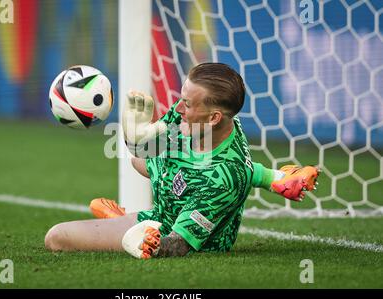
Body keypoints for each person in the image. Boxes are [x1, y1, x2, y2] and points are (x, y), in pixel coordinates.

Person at [45, 63, 319, 258]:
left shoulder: (224, 177)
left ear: (213, 118)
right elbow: (145, 153)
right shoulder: (198, 118)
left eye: (187, 104)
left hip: (166, 228)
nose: (177, 108)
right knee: (135, 161)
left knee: (56, 237)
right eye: (182, 98)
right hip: (167, 194)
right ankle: (276, 177)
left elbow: (179, 245)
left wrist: (140, 240)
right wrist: (134, 138)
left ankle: (126, 223)